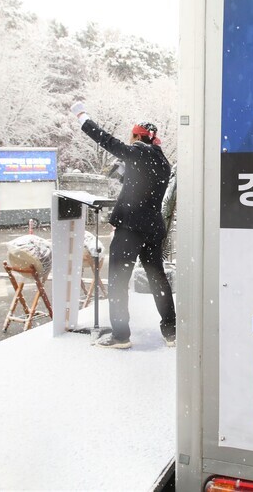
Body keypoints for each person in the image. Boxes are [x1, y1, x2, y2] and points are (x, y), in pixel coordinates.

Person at [70, 101, 176, 349]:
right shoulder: (163, 162)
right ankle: (171, 331)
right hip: (153, 227)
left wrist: (82, 116)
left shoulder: (136, 152)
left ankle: (121, 335)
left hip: (131, 226)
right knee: (157, 278)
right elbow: (143, 184)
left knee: (118, 280)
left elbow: (105, 139)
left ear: (137, 136)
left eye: (132, 136)